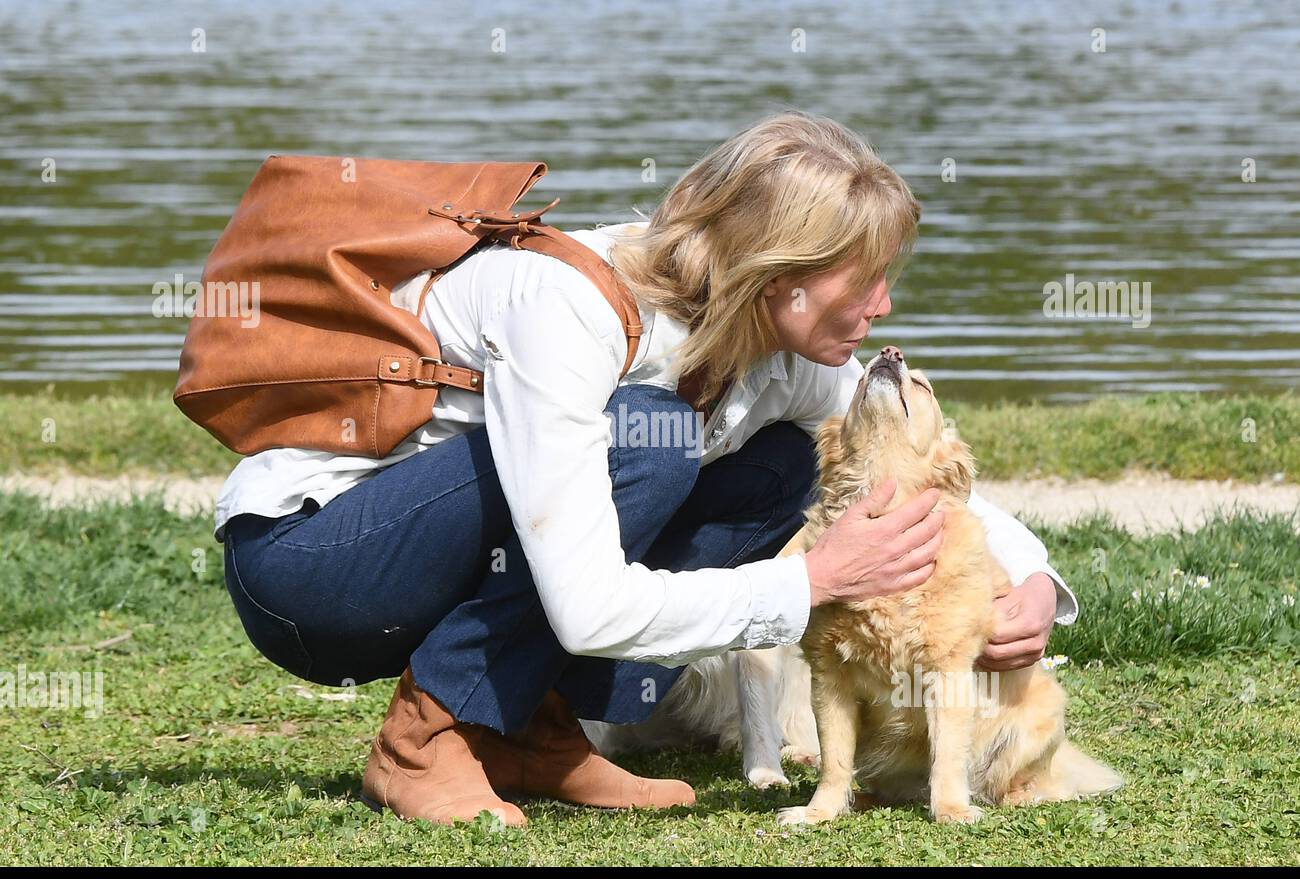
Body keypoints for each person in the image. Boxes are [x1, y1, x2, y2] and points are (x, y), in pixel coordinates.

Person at [214, 110, 1077, 828]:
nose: (885, 305)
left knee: (780, 467)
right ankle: (423, 743)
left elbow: (911, 471)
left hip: (436, 556)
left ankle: (529, 728)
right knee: (645, 437)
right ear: (783, 272)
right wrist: (810, 581)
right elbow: (588, 607)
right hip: (314, 571)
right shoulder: (568, 309)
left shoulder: (795, 353)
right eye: (870, 276)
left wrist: (1032, 582)